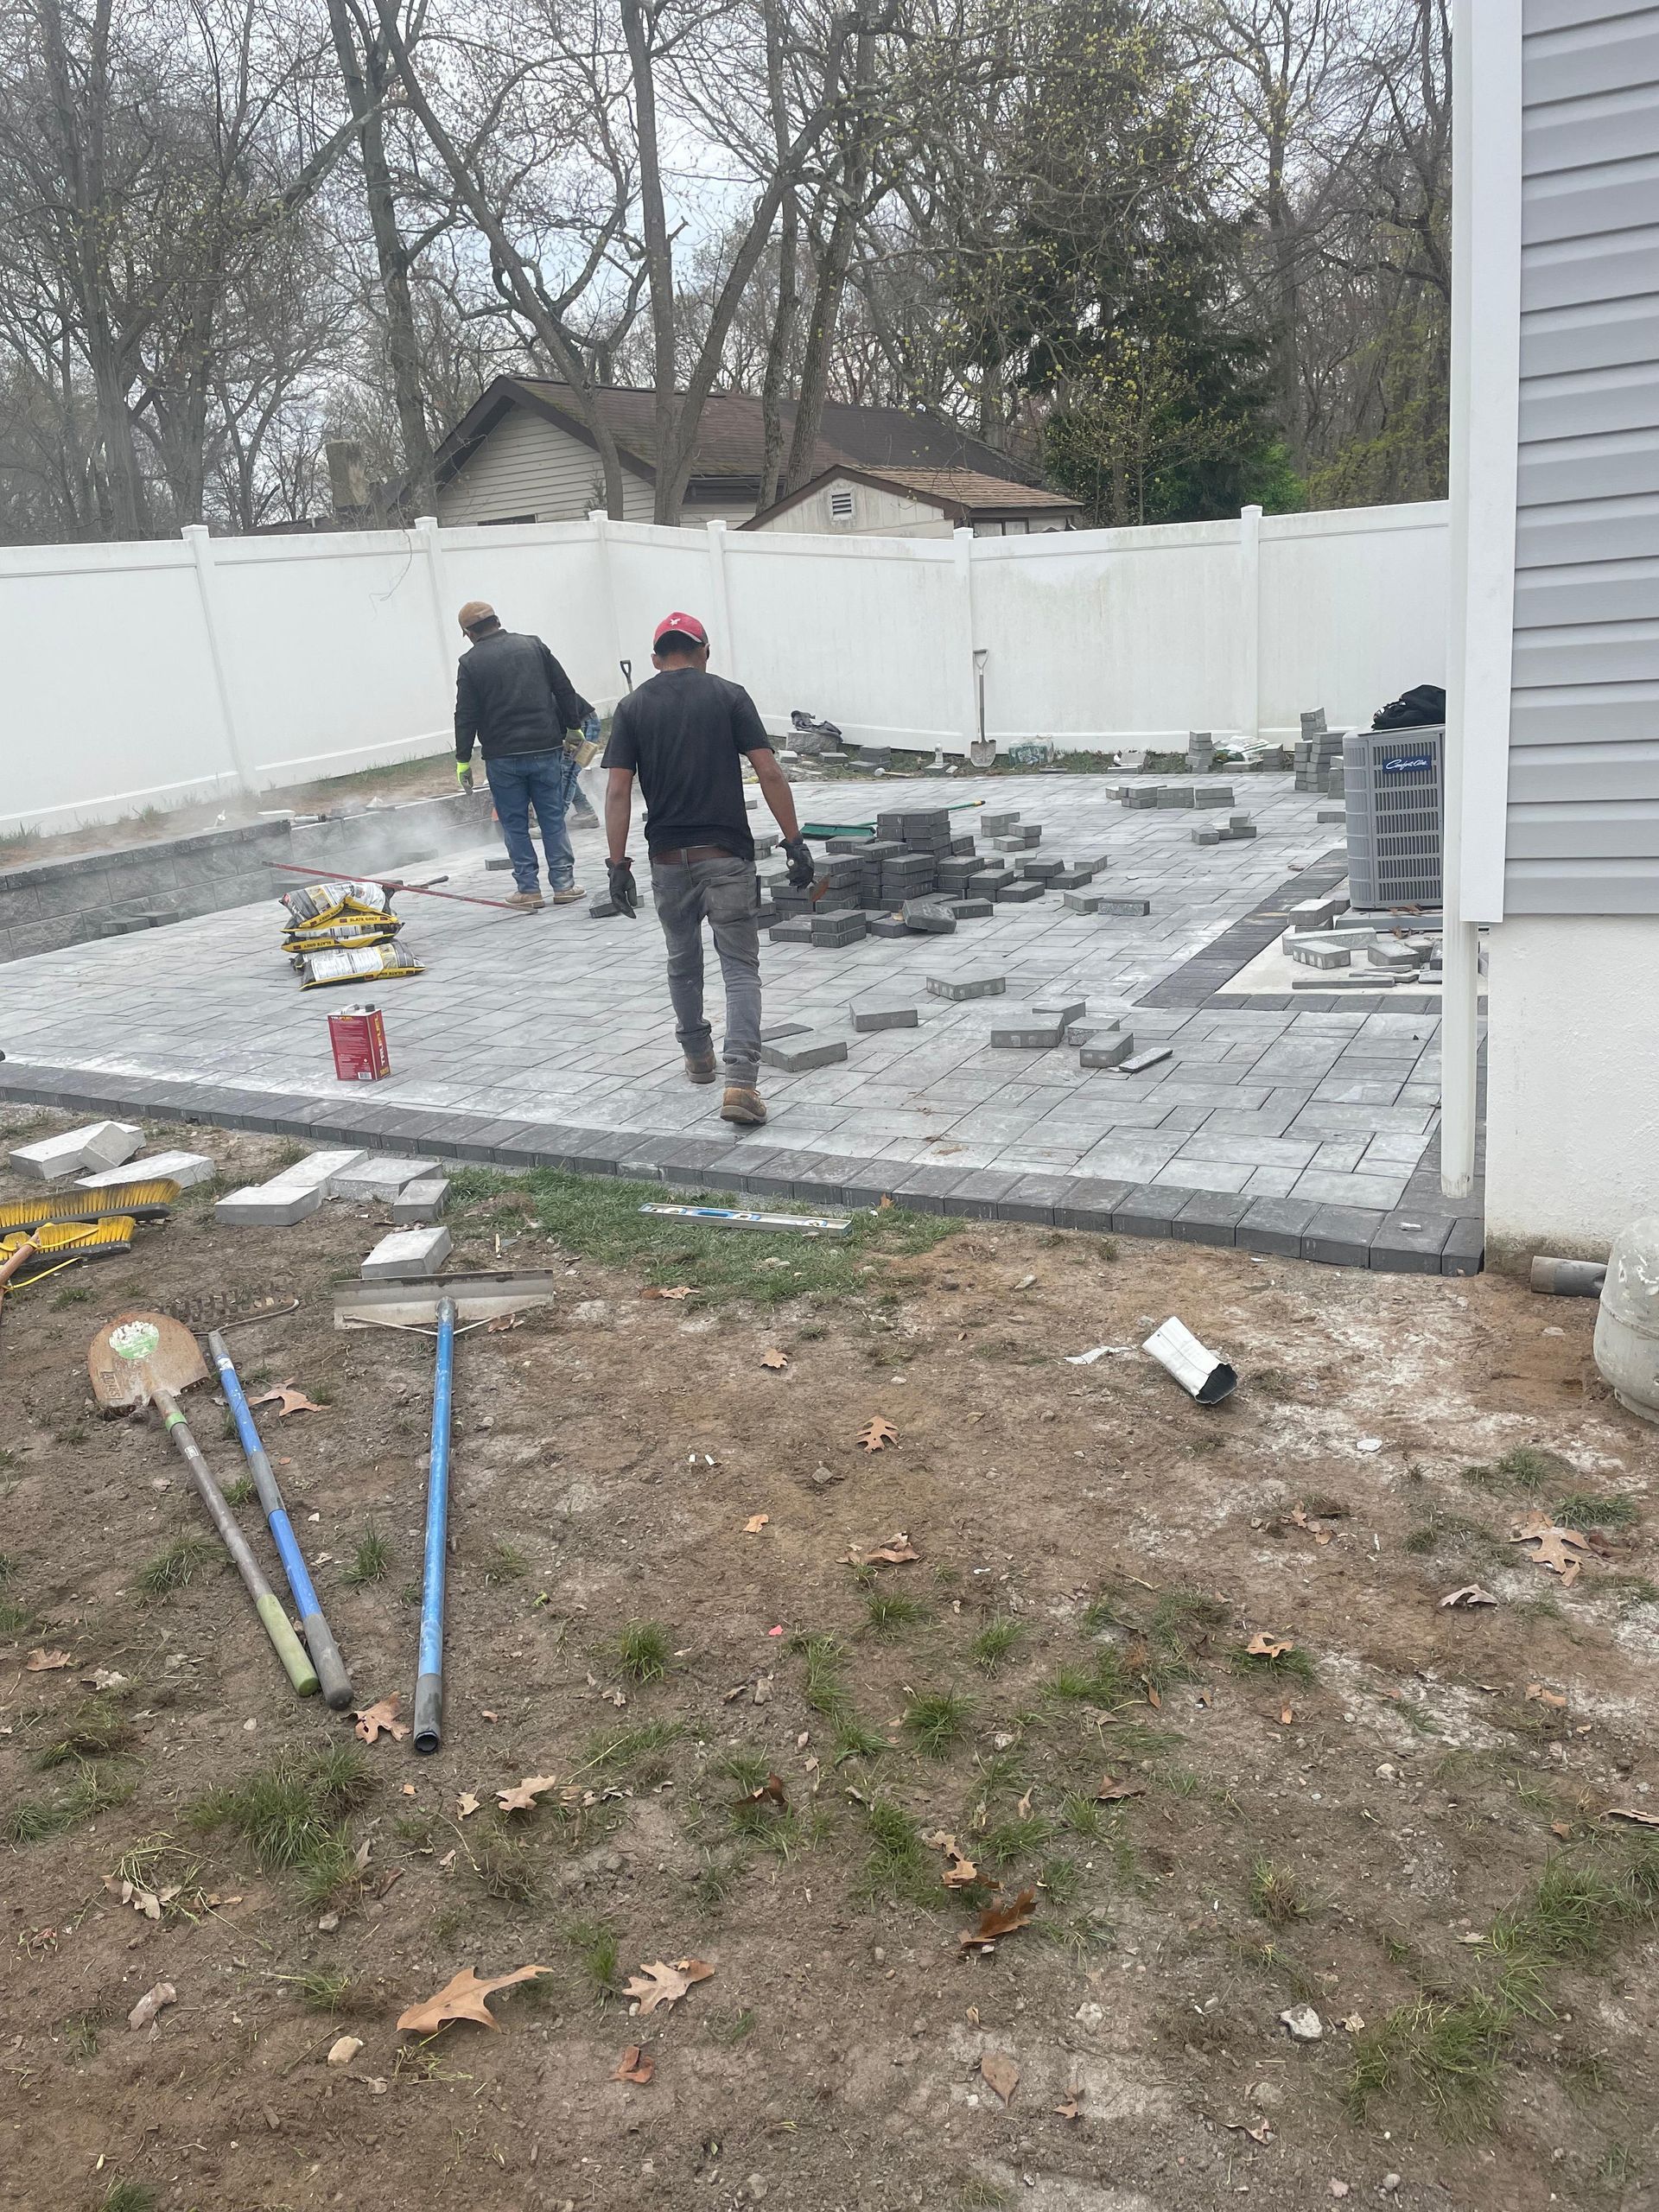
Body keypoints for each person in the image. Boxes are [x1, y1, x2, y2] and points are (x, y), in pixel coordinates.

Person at [601, 611, 815, 1127]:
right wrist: (794, 841)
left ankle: (698, 1058)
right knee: (740, 968)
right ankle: (740, 1083)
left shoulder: (632, 707)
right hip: (725, 857)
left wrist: (616, 864)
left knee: (682, 956)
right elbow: (769, 769)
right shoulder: (729, 696)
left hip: (667, 859)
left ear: (656, 658)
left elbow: (617, 789)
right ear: (705, 651)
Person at [453, 600, 594, 911]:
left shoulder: (470, 662)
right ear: (497, 620)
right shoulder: (534, 646)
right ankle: (564, 885)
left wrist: (463, 759)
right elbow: (564, 687)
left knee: (515, 823)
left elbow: (465, 714)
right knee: (552, 817)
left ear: (469, 633)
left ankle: (529, 889)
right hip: (545, 748)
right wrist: (573, 727)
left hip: (502, 757)